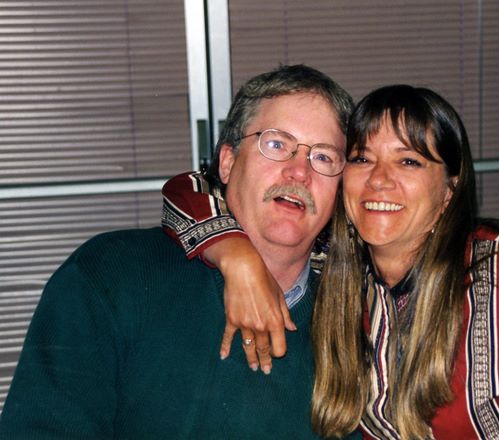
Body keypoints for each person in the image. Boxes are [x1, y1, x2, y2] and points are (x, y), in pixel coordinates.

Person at [158, 85, 499, 439]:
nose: (379, 181)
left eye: (409, 161)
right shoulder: (339, 271)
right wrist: (236, 256)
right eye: (362, 159)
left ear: (449, 190)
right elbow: (189, 188)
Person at [0, 64, 357, 439]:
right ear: (228, 162)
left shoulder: (353, 323)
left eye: (323, 157)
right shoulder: (112, 275)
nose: (299, 172)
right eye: (277, 144)